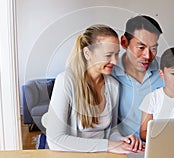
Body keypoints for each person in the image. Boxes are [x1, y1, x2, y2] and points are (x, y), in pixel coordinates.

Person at [42, 24, 143, 153]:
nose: (114, 61)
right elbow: (55, 140)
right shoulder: (66, 81)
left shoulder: (113, 86)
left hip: (102, 154)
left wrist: (122, 140)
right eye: (108, 55)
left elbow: (111, 131)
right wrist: (109, 145)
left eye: (116, 54)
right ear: (87, 53)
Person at [111, 15, 164, 139]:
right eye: (141, 47)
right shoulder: (109, 72)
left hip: (161, 145)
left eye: (153, 48)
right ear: (124, 42)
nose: (147, 55)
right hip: (124, 146)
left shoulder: (168, 71)